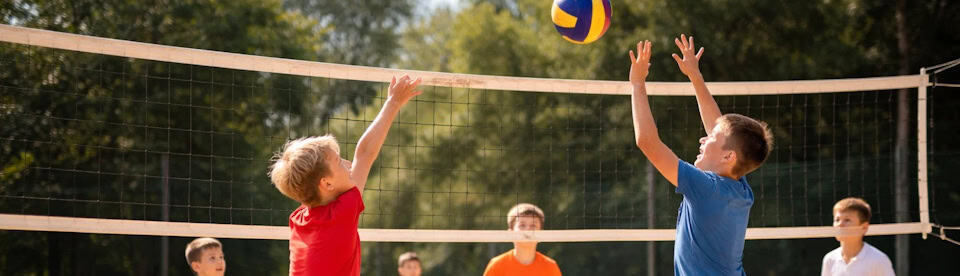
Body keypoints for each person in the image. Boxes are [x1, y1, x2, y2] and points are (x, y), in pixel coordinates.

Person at [628, 34, 774, 275]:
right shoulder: (739, 188)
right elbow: (718, 128)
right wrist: (695, 77)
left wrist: (637, 84)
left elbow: (648, 142)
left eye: (710, 138)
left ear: (729, 157)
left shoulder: (707, 188)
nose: (703, 138)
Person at [269, 75, 422, 276]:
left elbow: (361, 157)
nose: (348, 164)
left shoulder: (299, 217)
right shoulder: (342, 213)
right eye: (339, 161)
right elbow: (365, 154)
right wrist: (393, 102)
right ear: (326, 183)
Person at [821, 197, 895, 276]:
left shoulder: (878, 259)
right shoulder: (830, 259)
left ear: (864, 227)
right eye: (837, 219)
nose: (840, 224)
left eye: (847, 220)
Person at [482, 203, 562, 276]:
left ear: (541, 234)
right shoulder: (497, 265)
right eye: (522, 225)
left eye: (533, 226)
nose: (528, 230)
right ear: (511, 233)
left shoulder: (550, 267)